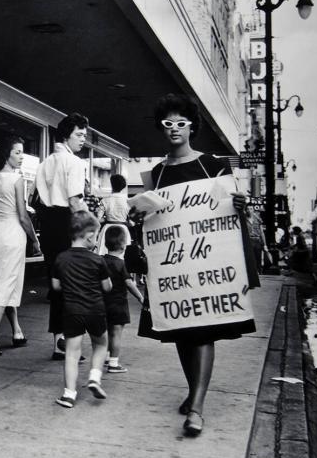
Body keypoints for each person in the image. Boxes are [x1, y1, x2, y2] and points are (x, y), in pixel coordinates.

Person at [142, 93, 256, 436]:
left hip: (208, 265)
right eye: (168, 124)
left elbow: (231, 215)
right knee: (180, 332)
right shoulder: (156, 175)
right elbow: (152, 224)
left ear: (192, 127)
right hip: (173, 269)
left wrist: (241, 203)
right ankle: (194, 391)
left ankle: (197, 408)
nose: (174, 129)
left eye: (181, 124)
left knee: (204, 331)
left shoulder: (213, 166)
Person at [35, 112, 89, 360]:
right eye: (79, 135)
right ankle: (71, 344)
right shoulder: (74, 163)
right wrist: (90, 227)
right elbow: (75, 200)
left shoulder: (44, 163)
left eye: (84, 135)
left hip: (47, 225)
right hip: (67, 224)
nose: (83, 140)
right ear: (66, 135)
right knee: (75, 286)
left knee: (56, 285)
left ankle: (59, 342)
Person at [0, 137, 41, 356]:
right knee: (6, 284)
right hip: (13, 232)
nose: (21, 156)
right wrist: (35, 240)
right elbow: (23, 216)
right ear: (7, 153)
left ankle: (16, 331)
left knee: (5, 281)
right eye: (17, 152)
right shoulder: (17, 180)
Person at [51, 211, 112, 408]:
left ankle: (69, 394)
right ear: (89, 236)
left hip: (72, 311)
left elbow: (56, 286)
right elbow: (107, 287)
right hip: (95, 310)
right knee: (101, 344)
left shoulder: (61, 258)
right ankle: (94, 376)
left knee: (71, 353)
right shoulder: (97, 260)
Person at [102, 225, 144, 373]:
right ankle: (114, 363)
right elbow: (129, 283)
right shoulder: (121, 264)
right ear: (123, 245)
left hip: (103, 304)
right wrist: (140, 297)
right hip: (118, 305)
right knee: (117, 334)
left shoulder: (101, 261)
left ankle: (107, 356)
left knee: (108, 331)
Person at [97, 174, 132, 256]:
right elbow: (131, 222)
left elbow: (98, 219)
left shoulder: (105, 200)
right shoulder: (128, 201)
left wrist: (106, 219)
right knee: (122, 256)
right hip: (123, 229)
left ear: (112, 185)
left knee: (104, 255)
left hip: (107, 229)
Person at [246, 207, 269, 273]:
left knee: (258, 257)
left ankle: (259, 272)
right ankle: (252, 272)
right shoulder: (244, 219)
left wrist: (265, 244)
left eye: (250, 209)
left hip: (257, 240)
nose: (249, 210)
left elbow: (262, 232)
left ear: (253, 210)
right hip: (249, 240)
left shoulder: (258, 219)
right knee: (250, 258)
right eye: (247, 209)